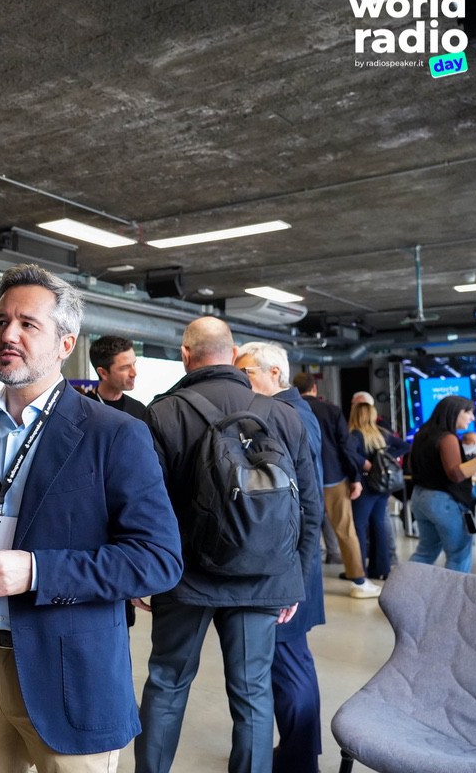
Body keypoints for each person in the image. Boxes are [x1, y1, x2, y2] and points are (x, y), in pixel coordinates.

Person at [0, 264, 182, 772]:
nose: (8, 334)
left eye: (27, 324)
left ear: (66, 344)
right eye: (0, 321)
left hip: (71, 673)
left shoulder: (114, 434)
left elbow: (158, 559)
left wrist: (38, 571)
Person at [136, 318, 320, 773]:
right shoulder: (282, 415)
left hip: (184, 579)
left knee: (167, 684)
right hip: (263, 576)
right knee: (253, 693)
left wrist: (145, 575)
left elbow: (145, 507)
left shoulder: (162, 414)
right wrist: (293, 580)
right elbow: (310, 507)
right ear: (234, 353)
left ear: (186, 355)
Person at [235, 342, 326, 773]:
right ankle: (298, 754)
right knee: (289, 664)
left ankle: (299, 761)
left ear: (274, 372)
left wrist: (294, 577)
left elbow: (305, 504)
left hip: (288, 568)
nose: (240, 381)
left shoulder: (288, 416)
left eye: (246, 373)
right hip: (290, 565)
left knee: (289, 667)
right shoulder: (288, 412)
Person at [292, 373, 378, 598]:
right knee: (345, 530)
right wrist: (355, 478)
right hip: (333, 478)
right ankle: (358, 581)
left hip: (301, 480)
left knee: (300, 531)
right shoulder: (331, 410)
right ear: (314, 388)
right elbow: (346, 447)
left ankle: (299, 582)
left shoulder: (289, 409)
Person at [407, 396, 476, 572]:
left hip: (420, 497)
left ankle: (404, 585)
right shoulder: (447, 438)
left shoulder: (423, 433)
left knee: (425, 552)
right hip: (443, 501)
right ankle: (454, 590)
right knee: (458, 555)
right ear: (455, 412)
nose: (472, 418)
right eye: (468, 413)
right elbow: (456, 474)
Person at [348, 401, 410, 580]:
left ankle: (359, 571)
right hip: (382, 486)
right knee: (378, 524)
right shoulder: (382, 433)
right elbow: (405, 446)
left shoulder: (355, 435)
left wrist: (368, 463)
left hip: (365, 484)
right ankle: (381, 568)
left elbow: (350, 456)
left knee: (359, 526)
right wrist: (386, 457)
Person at [87, 335, 147, 419]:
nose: (134, 373)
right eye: (125, 367)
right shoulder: (81, 409)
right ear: (103, 373)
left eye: (134, 364)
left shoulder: (140, 410)